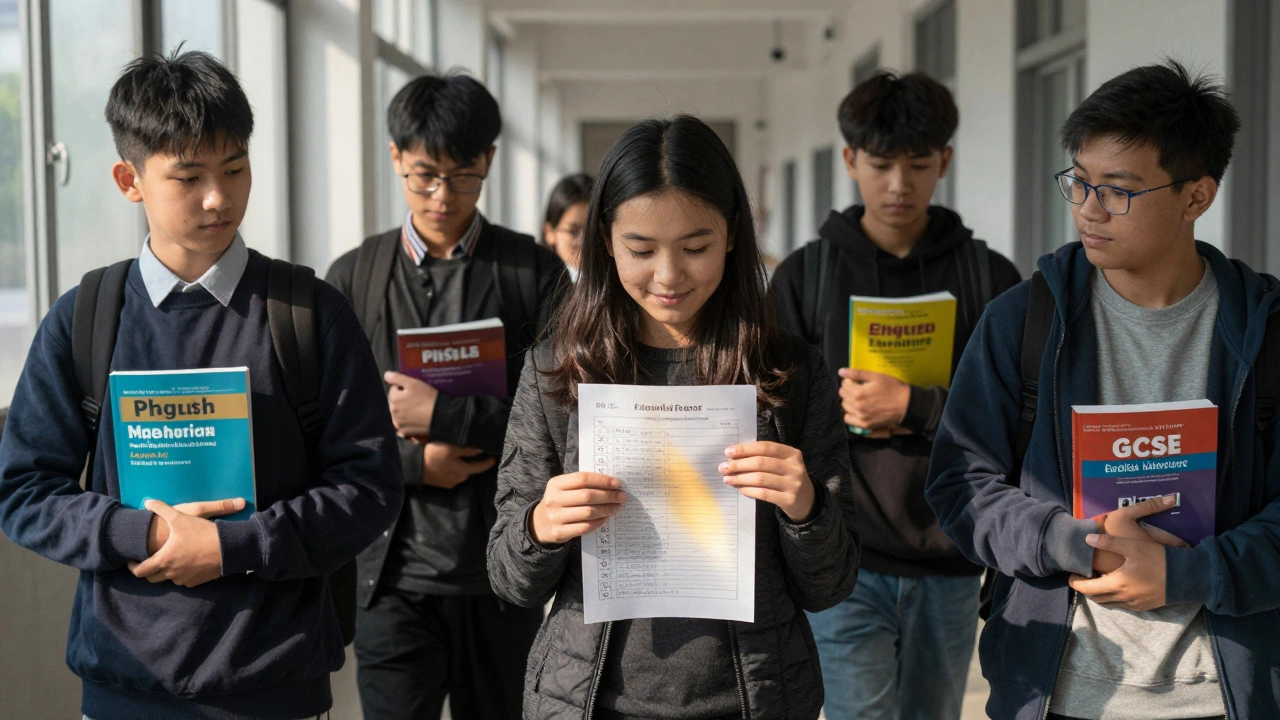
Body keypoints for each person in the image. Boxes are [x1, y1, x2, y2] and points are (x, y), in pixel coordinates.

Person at [0, 50, 403, 720]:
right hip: (124, 683)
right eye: (189, 177)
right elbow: (22, 491)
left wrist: (232, 546)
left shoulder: (307, 314)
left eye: (235, 168)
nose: (219, 197)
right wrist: (142, 535)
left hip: (276, 683)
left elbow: (370, 486)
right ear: (129, 180)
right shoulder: (86, 318)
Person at [927, 61, 1280, 720]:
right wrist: (1065, 540)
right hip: (1061, 693)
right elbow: (959, 484)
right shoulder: (1024, 321)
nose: (1088, 209)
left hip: (1226, 695)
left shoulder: (1268, 334)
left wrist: (1187, 576)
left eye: (1117, 190)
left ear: (1196, 197)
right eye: (1079, 182)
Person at [487, 115, 860, 719]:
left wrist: (807, 507)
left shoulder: (786, 372)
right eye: (641, 249)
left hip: (753, 697)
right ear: (604, 240)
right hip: (589, 701)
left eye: (695, 247)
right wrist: (540, 526)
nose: (668, 275)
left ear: (734, 235)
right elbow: (509, 576)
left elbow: (832, 585)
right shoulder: (559, 372)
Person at [769, 71, 1021, 720]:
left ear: (946, 160)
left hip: (952, 556)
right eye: (881, 165)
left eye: (918, 164)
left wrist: (915, 407)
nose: (899, 185)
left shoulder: (988, 278)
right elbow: (769, 411)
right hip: (845, 558)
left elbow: (1021, 416)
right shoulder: (807, 275)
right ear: (851, 160)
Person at [325, 72, 567, 720]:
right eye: (424, 175)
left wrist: (446, 415)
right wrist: (412, 463)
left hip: (501, 570)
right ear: (396, 157)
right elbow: (324, 424)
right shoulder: (354, 278)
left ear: (488, 160)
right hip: (393, 577)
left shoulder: (532, 272)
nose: (441, 195)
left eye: (463, 175)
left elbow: (564, 411)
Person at [542, 172, 592, 278]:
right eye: (573, 231)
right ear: (549, 232)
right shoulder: (536, 283)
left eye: (592, 230)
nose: (583, 240)